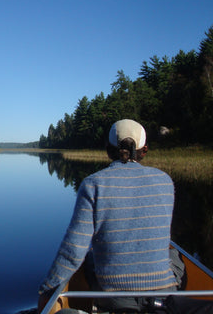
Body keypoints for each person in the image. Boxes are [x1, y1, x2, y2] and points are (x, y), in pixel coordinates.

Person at [38, 119, 179, 313]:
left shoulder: (93, 184)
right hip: (165, 295)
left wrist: (47, 290)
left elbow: (73, 251)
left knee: (88, 257)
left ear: (108, 149)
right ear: (144, 151)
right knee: (175, 256)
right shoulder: (165, 181)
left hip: (114, 296)